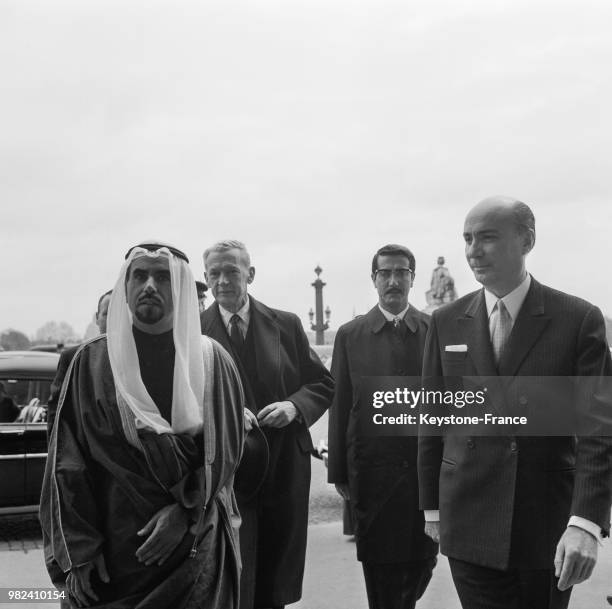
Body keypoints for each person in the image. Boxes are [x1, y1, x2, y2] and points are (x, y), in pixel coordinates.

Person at [417, 196, 612, 609]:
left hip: (545, 526)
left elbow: (599, 427)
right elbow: (433, 417)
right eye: (467, 238)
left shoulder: (577, 319)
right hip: (468, 518)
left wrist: (586, 522)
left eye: (487, 237)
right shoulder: (446, 319)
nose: (473, 250)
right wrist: (431, 508)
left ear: (528, 240)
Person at [40, 241, 244, 609]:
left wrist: (185, 513)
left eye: (163, 277)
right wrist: (80, 552)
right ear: (126, 286)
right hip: (111, 559)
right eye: (140, 275)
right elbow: (66, 465)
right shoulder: (89, 364)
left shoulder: (213, 361)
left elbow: (225, 454)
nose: (150, 285)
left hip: (195, 550)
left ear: (181, 289)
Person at [201, 240, 334, 609]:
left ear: (250, 275)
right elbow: (184, 398)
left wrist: (294, 406)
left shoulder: (286, 324)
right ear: (206, 278)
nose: (223, 280)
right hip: (229, 472)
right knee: (232, 574)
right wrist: (225, 412)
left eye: (232, 271)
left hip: (283, 466)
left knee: (276, 577)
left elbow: (323, 384)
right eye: (215, 273)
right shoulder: (194, 331)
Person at [328, 244, 438, 609]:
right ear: (374, 279)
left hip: (424, 478)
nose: (393, 280)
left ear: (412, 278)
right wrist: (339, 472)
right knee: (381, 577)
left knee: (423, 564)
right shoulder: (350, 335)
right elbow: (340, 403)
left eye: (401, 273)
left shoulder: (432, 330)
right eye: (385, 273)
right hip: (373, 477)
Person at [46, 289, 112, 437]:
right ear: (97, 318)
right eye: (107, 314)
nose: (113, 319)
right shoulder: (73, 358)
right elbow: (57, 413)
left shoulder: (137, 358)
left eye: (118, 312)